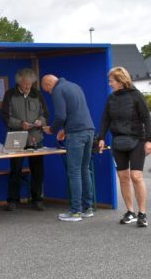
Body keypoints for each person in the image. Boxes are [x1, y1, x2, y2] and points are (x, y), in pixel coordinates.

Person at [97, 67, 151, 227]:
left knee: (136, 176)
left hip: (137, 140)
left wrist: (149, 140)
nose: (109, 83)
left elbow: (146, 119)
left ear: (121, 81)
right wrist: (101, 137)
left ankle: (142, 213)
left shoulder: (136, 96)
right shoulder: (111, 98)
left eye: (111, 80)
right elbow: (105, 119)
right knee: (123, 178)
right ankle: (130, 211)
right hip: (118, 141)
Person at [41, 74, 95, 222]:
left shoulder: (58, 90)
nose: (49, 93)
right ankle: (87, 208)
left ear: (48, 85)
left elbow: (60, 116)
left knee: (74, 172)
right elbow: (75, 112)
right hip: (89, 130)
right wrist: (64, 130)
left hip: (76, 135)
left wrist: (52, 129)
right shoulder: (74, 86)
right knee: (85, 170)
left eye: (47, 91)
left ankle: (75, 212)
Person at [1, 68, 49, 211]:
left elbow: (45, 113)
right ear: (19, 82)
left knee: (37, 170)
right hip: (17, 137)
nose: (28, 86)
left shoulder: (37, 94)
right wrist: (20, 124)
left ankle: (37, 199)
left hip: (36, 137)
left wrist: (41, 121)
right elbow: (5, 116)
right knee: (15, 169)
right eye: (25, 84)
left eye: (30, 84)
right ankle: (13, 200)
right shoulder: (10, 94)